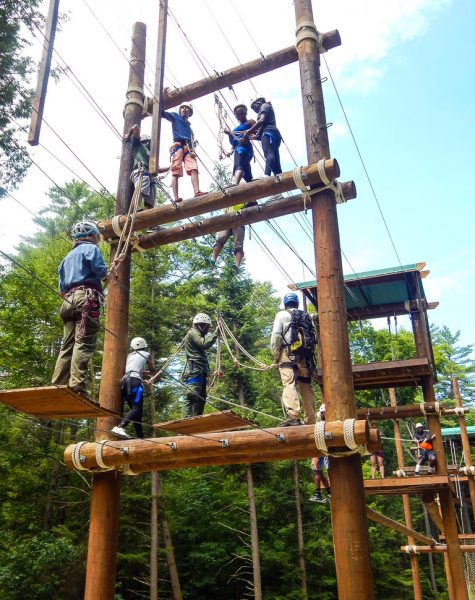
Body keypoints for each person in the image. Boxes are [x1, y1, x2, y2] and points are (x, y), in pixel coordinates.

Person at [51, 220, 107, 395]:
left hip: (67, 301)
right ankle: (77, 386)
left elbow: (61, 291)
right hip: (86, 298)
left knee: (67, 345)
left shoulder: (65, 259)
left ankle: (58, 384)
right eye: (97, 236)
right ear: (92, 236)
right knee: (83, 342)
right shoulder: (91, 249)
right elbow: (102, 273)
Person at [210, 103, 258, 268]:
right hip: (229, 217)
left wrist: (248, 134)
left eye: (241, 112)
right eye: (237, 113)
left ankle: (236, 265)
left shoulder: (248, 122)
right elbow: (233, 142)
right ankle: (213, 259)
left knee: (240, 166)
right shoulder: (237, 127)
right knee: (220, 239)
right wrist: (230, 133)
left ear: (244, 113)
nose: (239, 115)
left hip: (244, 150)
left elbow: (255, 130)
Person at [271, 292, 317, 426]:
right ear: (297, 303)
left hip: (287, 353)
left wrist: (276, 355)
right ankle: (311, 419)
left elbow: (276, 336)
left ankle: (293, 416)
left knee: (289, 383)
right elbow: (313, 338)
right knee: (305, 385)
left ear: (285, 304)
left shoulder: (282, 315)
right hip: (304, 356)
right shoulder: (306, 316)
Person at [111, 337, 155, 439]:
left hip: (125, 382)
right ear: (144, 346)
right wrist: (153, 372)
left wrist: (146, 373)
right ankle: (120, 427)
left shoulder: (129, 356)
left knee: (136, 413)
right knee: (137, 408)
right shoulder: (146, 354)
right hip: (135, 382)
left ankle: (140, 437)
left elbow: (136, 370)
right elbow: (152, 369)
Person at [162, 102, 206, 202]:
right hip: (178, 145)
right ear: (180, 110)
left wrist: (193, 151)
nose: (184, 109)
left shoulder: (189, 128)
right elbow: (162, 113)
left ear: (190, 112)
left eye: (187, 108)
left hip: (188, 148)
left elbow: (192, 141)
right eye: (182, 107)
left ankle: (197, 191)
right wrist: (165, 98)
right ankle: (176, 197)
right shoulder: (175, 117)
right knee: (176, 171)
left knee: (193, 168)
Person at [122, 123, 169, 209]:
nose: (147, 143)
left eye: (148, 142)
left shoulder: (151, 155)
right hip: (141, 171)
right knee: (141, 188)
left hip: (150, 175)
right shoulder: (138, 145)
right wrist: (129, 134)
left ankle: (148, 213)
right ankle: (135, 208)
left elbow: (158, 169)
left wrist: (171, 167)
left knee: (151, 196)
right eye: (145, 141)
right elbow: (135, 127)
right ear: (141, 141)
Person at [182, 313, 218, 417]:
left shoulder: (196, 333)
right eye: (207, 328)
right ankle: (185, 421)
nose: (207, 331)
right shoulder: (193, 332)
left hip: (200, 370)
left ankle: (196, 419)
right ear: (201, 325)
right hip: (195, 369)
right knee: (191, 395)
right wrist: (215, 334)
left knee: (201, 399)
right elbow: (203, 344)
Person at [243, 96, 282, 177]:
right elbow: (258, 135)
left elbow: (262, 120)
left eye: (254, 106)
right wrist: (248, 136)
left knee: (269, 154)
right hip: (272, 133)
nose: (254, 109)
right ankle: (279, 176)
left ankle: (266, 175)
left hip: (268, 133)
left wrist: (249, 131)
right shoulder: (267, 108)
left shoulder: (264, 106)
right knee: (274, 157)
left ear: (260, 101)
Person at [310, 404, 331, 503]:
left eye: (323, 413)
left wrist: (315, 455)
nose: (322, 414)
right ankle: (329, 491)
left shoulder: (325, 423)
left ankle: (318, 493)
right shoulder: (323, 421)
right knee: (319, 472)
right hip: (323, 449)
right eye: (322, 413)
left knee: (317, 471)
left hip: (321, 449)